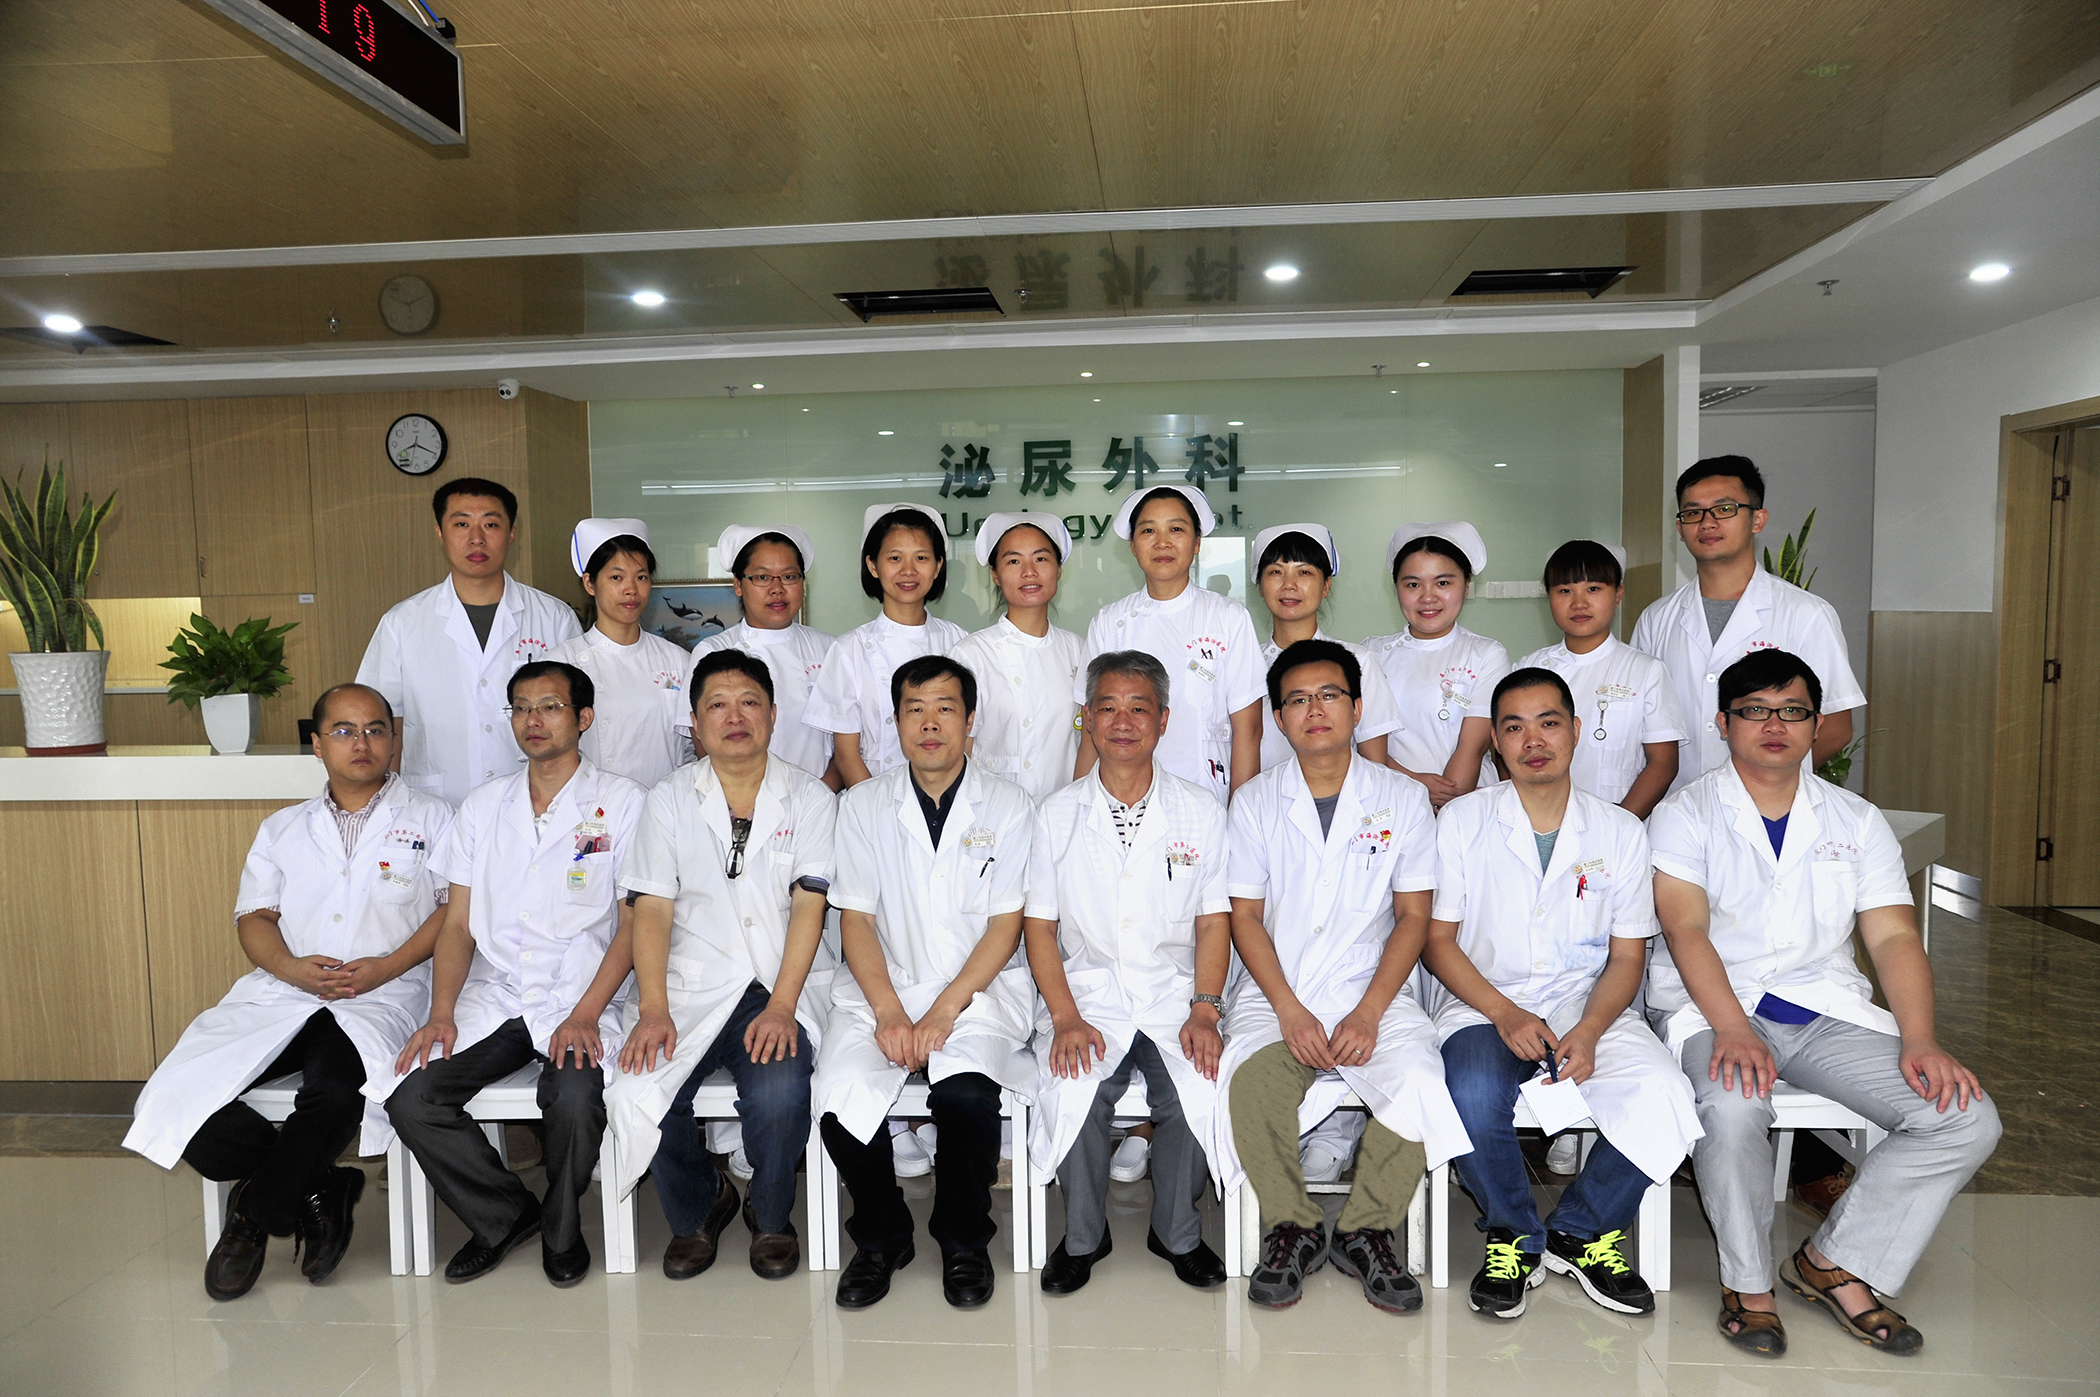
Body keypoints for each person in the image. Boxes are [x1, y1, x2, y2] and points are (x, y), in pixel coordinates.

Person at [1649, 648, 1998, 1358]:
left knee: (1963, 1117)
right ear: (1723, 722)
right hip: (1714, 1004)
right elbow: (1685, 929)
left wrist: (1920, 1037)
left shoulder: (1856, 819)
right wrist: (1731, 1026)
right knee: (1733, 1106)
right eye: (1755, 710)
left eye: (1793, 710)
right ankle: (1748, 1286)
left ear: (1815, 724)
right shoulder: (1684, 814)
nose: (1774, 724)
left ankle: (1832, 1262)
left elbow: (1894, 935)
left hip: (1824, 1009)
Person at [124, 683, 453, 1300]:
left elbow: (450, 914)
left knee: (333, 1095)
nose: (362, 743)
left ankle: (252, 1218)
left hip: (382, 994)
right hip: (285, 991)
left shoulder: (434, 818)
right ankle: (320, 1187)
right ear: (317, 744)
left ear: (394, 740)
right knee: (177, 1098)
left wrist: (386, 967)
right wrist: (291, 968)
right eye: (344, 731)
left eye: (376, 729)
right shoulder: (282, 828)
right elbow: (254, 917)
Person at [1422, 667, 1700, 1321]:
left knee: (1665, 1092)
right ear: (1495, 742)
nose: (1533, 740)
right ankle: (1514, 1235)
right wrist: (1504, 1012)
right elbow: (1437, 941)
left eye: (1548, 723)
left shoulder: (1620, 831)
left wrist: (1593, 1028)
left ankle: (1582, 1228)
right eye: (1514, 727)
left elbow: (1628, 955)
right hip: (1483, 999)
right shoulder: (1461, 821)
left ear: (1575, 731)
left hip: (1586, 1001)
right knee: (1470, 1093)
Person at [1215, 639, 1470, 1314]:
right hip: (1280, 989)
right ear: (1278, 718)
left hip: (1372, 988)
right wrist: (1289, 1009)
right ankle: (1292, 1225)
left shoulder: (1402, 798)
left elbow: (1413, 916)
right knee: (1251, 1084)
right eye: (1297, 700)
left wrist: (1369, 1011)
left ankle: (1367, 1229)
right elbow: (1246, 918)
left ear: (1357, 708)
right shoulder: (1254, 802)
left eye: (1329, 695)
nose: (1315, 709)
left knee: (1419, 1081)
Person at [384, 661, 647, 1287]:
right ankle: (504, 1216)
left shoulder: (623, 802)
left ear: (583, 718)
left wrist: (586, 1013)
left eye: (550, 706)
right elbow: (456, 924)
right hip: (499, 991)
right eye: (522, 708)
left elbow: (635, 924)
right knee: (413, 1100)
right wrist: (440, 1014)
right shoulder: (483, 806)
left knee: (575, 1098)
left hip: (585, 991)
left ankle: (563, 1226)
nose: (534, 720)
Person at [810, 654, 1037, 1310]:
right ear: (896, 721)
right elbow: (855, 919)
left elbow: (1006, 926)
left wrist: (942, 1012)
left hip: (978, 991)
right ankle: (882, 1236)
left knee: (965, 1096)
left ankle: (963, 1240)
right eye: (915, 710)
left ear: (971, 720)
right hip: (883, 984)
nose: (930, 723)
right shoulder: (863, 805)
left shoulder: (1010, 805)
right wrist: (889, 1012)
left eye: (945, 708)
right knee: (838, 1092)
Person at [605, 650, 838, 1281]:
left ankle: (771, 1214)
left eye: (749, 703)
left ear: (773, 714)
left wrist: (783, 1006)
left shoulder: (810, 798)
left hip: (778, 983)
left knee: (780, 1090)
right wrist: (653, 1008)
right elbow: (652, 909)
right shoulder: (669, 798)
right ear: (694, 722)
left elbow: (809, 905)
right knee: (637, 1088)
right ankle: (701, 1204)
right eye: (718, 705)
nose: (735, 717)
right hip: (689, 986)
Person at [1024, 650, 1231, 1296]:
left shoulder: (1201, 810)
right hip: (1086, 995)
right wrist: (1064, 1016)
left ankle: (1177, 1232)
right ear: (1086, 718)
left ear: (1163, 720)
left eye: (1138, 708)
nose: (1122, 721)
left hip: (1174, 993)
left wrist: (1205, 1007)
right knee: (1074, 1087)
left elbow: (1213, 922)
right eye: (1107, 707)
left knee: (1198, 1086)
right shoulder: (1055, 814)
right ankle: (1083, 1237)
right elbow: (1039, 928)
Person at [1631, 456, 1865, 795]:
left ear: (1758, 520)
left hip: (1768, 805)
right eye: (1693, 513)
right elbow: (1641, 727)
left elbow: (1836, 728)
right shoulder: (1656, 619)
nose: (1707, 523)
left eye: (1724, 509)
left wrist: (1763, 786)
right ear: (1680, 530)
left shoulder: (1806, 614)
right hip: (1674, 808)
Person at [357, 477, 581, 806]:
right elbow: (382, 723)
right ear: (440, 532)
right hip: (434, 806)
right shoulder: (402, 623)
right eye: (461, 524)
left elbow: (578, 717)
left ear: (511, 534)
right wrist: (382, 808)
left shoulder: (554, 618)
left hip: (536, 803)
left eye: (491, 524)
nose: (477, 538)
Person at [1075, 484, 1264, 801]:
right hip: (1119, 798)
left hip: (1207, 794)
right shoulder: (1110, 622)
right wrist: (1077, 809)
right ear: (1133, 546)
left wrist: (1240, 815)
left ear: (1197, 543)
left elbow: (1249, 729)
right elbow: (1091, 730)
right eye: (1148, 530)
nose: (1162, 542)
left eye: (1176, 529)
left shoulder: (1228, 617)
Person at [1517, 540, 1683, 818]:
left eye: (1593, 589)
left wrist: (1619, 826)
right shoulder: (1528, 668)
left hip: (1619, 821)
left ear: (1618, 593)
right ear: (1549, 597)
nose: (1579, 603)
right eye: (1565, 591)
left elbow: (1663, 763)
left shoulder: (1645, 670)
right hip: (1538, 819)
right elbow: (1507, 752)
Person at [806, 503, 967, 787]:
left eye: (921, 557)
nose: (908, 570)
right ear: (873, 566)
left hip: (950, 797)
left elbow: (968, 739)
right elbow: (846, 755)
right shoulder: (849, 650)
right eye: (895, 558)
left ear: (938, 566)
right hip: (872, 795)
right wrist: (876, 808)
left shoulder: (961, 643)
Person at [1366, 522, 1509, 811]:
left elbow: (1472, 748)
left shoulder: (1486, 655)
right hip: (1390, 804)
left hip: (1468, 805)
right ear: (1396, 588)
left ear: (1466, 585)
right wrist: (1415, 785)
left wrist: (1446, 798)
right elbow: (1366, 746)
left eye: (1443, 583)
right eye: (1413, 584)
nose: (1427, 597)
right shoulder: (1371, 654)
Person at [547, 518, 696, 790]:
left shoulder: (678, 661)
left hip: (663, 806)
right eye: (617, 577)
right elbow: (547, 753)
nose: (631, 589)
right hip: (592, 807)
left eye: (641, 577)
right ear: (590, 583)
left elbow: (691, 751)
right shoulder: (561, 664)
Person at [950, 511, 1085, 803]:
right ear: (995, 575)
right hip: (991, 811)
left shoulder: (1077, 650)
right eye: (1013, 561)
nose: (1029, 572)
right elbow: (958, 750)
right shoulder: (971, 654)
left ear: (1058, 570)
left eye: (1041, 558)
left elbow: (1085, 742)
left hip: (1062, 809)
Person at [690, 523, 838, 787]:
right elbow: (705, 740)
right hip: (739, 798)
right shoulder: (713, 651)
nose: (777, 588)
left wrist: (819, 796)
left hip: (821, 795)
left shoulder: (830, 649)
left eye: (789, 576)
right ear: (738, 585)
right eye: (762, 577)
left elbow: (847, 739)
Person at [1250, 522, 1403, 773]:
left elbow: (1375, 765)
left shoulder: (1359, 661)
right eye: (1276, 572)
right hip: (1259, 796)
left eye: (1304, 572)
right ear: (1260, 585)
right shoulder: (1245, 663)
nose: (1289, 584)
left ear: (1326, 586)